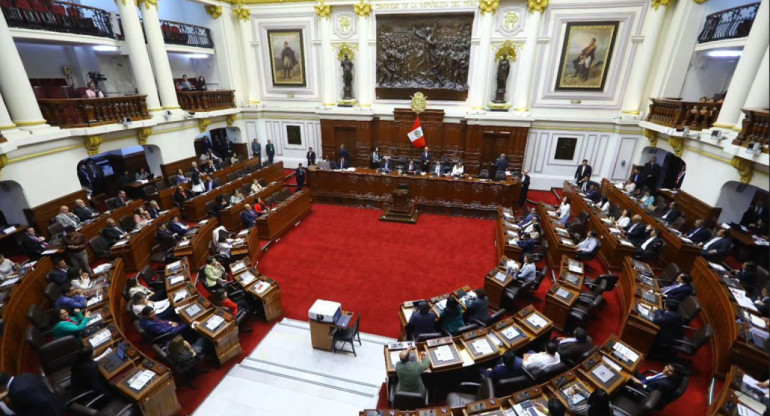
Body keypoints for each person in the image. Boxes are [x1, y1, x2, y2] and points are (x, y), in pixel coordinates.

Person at [0, 371, 65, 416]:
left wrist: (1, 403)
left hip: (49, 412)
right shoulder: (26, 375)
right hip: (56, 403)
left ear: (1, 387)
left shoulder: (16, 392)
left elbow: (18, 413)